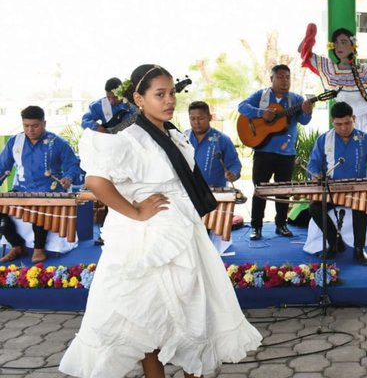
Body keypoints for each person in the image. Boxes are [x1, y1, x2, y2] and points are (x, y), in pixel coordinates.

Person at [59, 64, 262, 378]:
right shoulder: (127, 136)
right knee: (146, 316)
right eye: (159, 94)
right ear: (139, 98)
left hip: (182, 228)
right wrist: (136, 211)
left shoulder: (171, 133)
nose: (169, 101)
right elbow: (97, 182)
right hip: (146, 236)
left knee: (193, 310)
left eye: (171, 94)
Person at [298, 23, 367, 175]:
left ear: (353, 46)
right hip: (343, 123)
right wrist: (310, 37)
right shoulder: (330, 69)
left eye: (344, 42)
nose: (339, 46)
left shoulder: (364, 70)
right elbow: (302, 51)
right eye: (336, 42)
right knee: (344, 161)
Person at [237, 64, 315, 240]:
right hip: (263, 150)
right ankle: (256, 226)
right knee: (260, 189)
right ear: (271, 79)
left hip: (286, 153)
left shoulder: (296, 99)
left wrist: (307, 112)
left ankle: (282, 224)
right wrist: (261, 113)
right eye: (280, 76)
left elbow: (303, 121)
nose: (284, 80)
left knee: (284, 190)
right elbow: (242, 107)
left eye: (287, 77)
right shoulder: (261, 95)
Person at [306, 102, 367, 266]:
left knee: (361, 207)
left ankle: (359, 250)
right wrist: (315, 175)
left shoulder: (364, 139)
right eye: (338, 124)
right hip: (332, 189)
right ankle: (334, 242)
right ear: (332, 121)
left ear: (354, 119)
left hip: (357, 190)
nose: (343, 128)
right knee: (314, 208)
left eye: (347, 123)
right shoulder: (324, 139)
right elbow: (313, 164)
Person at [0, 106, 81, 263]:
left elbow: (73, 164)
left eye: (35, 126)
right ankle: (16, 245)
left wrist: (68, 177)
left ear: (44, 123)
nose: (30, 130)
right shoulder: (14, 142)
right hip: (21, 189)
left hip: (48, 191)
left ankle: (39, 249)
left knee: (40, 205)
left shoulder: (58, 143)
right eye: (26, 126)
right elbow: (3, 167)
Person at [186, 100, 242, 187]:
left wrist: (233, 174)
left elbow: (234, 164)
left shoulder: (222, 140)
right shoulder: (183, 138)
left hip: (216, 193)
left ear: (209, 117)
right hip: (189, 191)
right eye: (192, 119)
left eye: (200, 118)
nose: (196, 122)